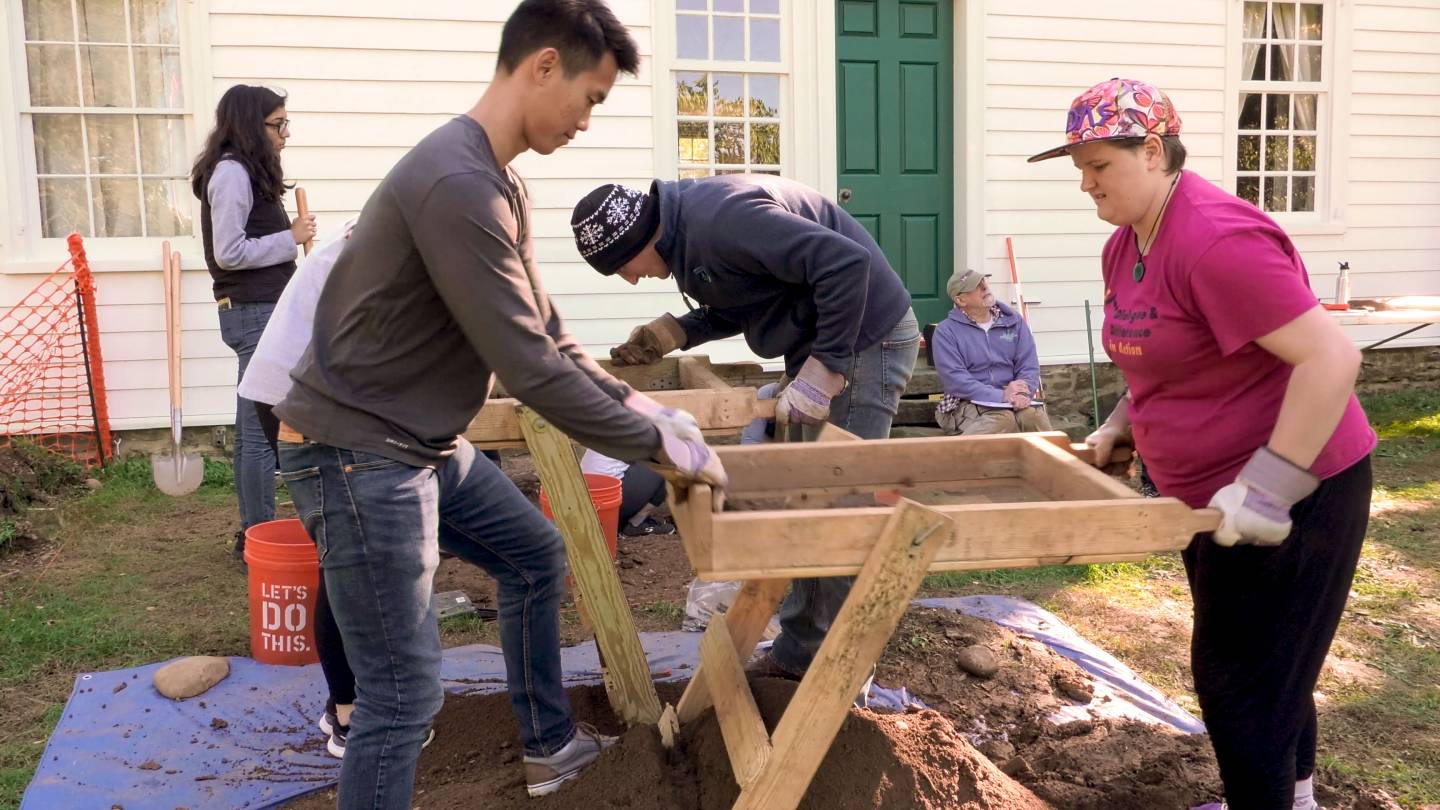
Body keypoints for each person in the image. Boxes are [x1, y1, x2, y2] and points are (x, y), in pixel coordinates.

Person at [272, 2, 726, 806]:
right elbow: (529, 370)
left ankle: (549, 746)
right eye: (590, 98)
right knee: (402, 698)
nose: (589, 121)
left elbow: (551, 336)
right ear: (544, 66)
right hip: (356, 452)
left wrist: (648, 410)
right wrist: (656, 451)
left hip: (420, 442)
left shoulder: (500, 185)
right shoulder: (454, 182)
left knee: (532, 556)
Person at [1030, 77, 1376, 810]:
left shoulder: (1216, 239)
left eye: (1099, 166)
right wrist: (1121, 425)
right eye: (1079, 170)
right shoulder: (1127, 243)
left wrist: (1269, 487)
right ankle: (1299, 798)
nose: (1086, 185)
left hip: (1297, 489)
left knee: (1240, 683)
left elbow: (1331, 359)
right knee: (1270, 669)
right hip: (1211, 499)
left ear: (1152, 150)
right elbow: (1172, 357)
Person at [570, 174, 919, 682]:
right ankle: (800, 653)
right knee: (805, 501)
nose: (630, 279)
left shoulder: (723, 220)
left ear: (638, 238)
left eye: (623, 266)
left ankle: (838, 670)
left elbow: (846, 264)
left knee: (838, 507)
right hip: (826, 342)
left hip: (867, 340)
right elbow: (749, 292)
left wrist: (826, 368)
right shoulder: (687, 232)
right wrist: (678, 330)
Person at [190, 84, 316, 564]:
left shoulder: (247, 172)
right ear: (250, 125)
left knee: (258, 428)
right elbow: (230, 252)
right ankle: (257, 535)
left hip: (264, 310)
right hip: (252, 312)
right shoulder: (230, 174)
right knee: (263, 431)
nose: (286, 133)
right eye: (278, 124)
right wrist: (291, 238)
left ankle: (255, 532)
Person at [931, 268, 1052, 436]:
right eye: (976, 286)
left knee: (1032, 417)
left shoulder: (1014, 321)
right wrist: (1001, 395)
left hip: (1012, 397)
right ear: (961, 300)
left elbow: (1028, 364)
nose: (984, 287)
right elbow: (956, 380)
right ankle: (955, 459)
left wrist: (1023, 392)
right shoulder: (946, 332)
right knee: (1003, 419)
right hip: (963, 403)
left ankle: (1052, 461)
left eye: (984, 282)